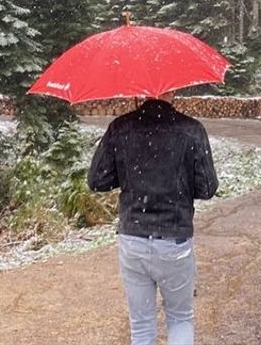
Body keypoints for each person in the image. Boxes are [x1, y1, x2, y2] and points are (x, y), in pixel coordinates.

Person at [87, 90, 219, 345]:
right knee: (180, 318)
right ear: (173, 90)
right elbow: (207, 188)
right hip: (175, 239)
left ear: (140, 91)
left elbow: (97, 180)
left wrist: (130, 173)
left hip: (133, 238)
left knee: (142, 325)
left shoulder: (120, 127)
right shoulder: (191, 130)